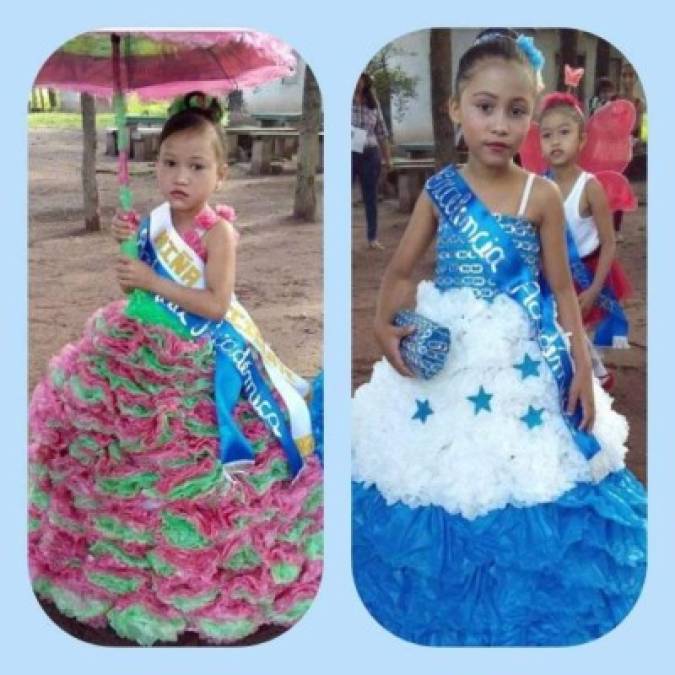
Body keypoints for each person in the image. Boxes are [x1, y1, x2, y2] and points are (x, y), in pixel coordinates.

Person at [351, 30, 646, 646]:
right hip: (448, 354)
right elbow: (402, 271)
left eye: (518, 112)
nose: (500, 125)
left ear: (531, 120)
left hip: (521, 355)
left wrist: (582, 375)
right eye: (485, 107)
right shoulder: (440, 190)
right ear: (456, 109)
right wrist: (384, 326)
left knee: (535, 472)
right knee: (433, 470)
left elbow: (563, 292)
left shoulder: (542, 196)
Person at [28, 92, 323, 646]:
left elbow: (214, 304)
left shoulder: (218, 233)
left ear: (222, 174)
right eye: (169, 162)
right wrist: (128, 247)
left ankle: (199, 572)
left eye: (196, 165)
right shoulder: (153, 221)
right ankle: (112, 560)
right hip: (133, 350)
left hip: (197, 359)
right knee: (115, 455)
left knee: (194, 464)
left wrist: (151, 281)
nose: (179, 176)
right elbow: (133, 287)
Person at [538, 92, 633, 391]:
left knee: (578, 332)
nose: (555, 141)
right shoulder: (539, 185)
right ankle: (595, 374)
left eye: (564, 133)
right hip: (554, 273)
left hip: (589, 273)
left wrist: (594, 289)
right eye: (546, 135)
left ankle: (597, 379)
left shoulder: (590, 188)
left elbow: (609, 242)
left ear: (581, 140)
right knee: (563, 330)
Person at [352, 72, 392, 250]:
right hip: (350, 152)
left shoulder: (373, 105)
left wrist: (387, 159)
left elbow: (382, 133)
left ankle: (372, 237)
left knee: (371, 197)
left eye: (362, 78)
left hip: (370, 152)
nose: (359, 82)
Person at [613, 63, 646, 240]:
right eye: (624, 75)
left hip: (627, 152)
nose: (627, 79)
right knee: (606, 187)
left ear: (635, 78)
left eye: (630, 76)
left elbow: (639, 128)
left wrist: (635, 139)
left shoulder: (639, 103)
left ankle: (616, 229)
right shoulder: (615, 99)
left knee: (619, 188)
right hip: (610, 151)